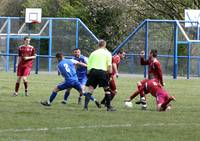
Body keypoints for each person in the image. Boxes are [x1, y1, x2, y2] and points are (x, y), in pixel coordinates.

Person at [84, 39, 115, 111]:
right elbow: (109, 66)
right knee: (107, 89)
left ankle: (85, 107)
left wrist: (88, 74)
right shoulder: (108, 53)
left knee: (90, 89)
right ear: (105, 45)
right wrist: (110, 75)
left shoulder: (93, 53)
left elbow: (89, 65)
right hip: (102, 72)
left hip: (93, 71)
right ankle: (108, 107)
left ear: (98, 45)